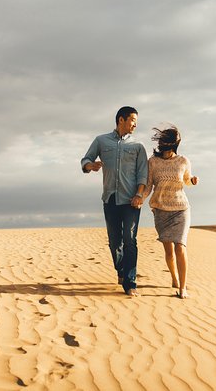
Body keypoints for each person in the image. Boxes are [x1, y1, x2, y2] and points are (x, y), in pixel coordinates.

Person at [81, 106, 148, 297]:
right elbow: (85, 159)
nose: (135, 124)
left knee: (130, 239)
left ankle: (130, 282)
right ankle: (120, 270)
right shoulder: (101, 141)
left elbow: (143, 173)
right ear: (121, 120)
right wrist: (90, 166)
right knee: (114, 241)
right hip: (110, 198)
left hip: (131, 200)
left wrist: (139, 195)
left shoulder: (138, 146)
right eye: (133, 119)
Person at [142, 125, 198, 299]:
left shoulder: (183, 161)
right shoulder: (153, 162)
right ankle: (174, 278)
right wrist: (140, 198)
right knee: (168, 251)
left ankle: (182, 287)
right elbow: (149, 185)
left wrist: (193, 181)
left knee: (180, 246)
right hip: (161, 210)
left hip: (181, 209)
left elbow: (187, 180)